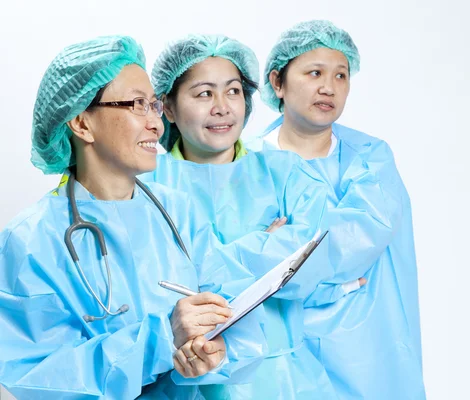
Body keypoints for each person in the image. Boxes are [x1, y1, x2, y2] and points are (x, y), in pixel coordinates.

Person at [0, 36, 266, 400]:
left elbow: (232, 310)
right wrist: (162, 338)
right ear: (81, 123)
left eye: (154, 105)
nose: (156, 123)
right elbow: (38, 377)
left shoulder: (178, 211)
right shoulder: (31, 241)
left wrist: (215, 354)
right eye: (137, 104)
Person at [140, 34, 354, 399]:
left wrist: (202, 272)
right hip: (181, 376)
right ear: (169, 108)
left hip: (282, 379)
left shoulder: (286, 173)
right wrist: (266, 245)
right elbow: (143, 284)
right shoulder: (145, 184)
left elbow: (312, 266)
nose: (222, 107)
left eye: (234, 91)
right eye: (204, 93)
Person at [246, 20, 427, 399]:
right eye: (315, 73)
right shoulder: (246, 163)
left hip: (365, 357)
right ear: (277, 81)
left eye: (341, 76)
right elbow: (234, 270)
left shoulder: (369, 159)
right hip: (275, 360)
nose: (329, 87)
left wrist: (275, 252)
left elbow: (351, 243)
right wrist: (330, 281)